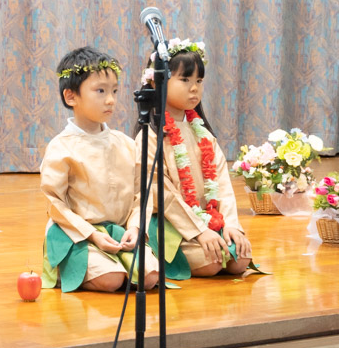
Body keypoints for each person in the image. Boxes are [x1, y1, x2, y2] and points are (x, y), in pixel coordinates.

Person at [40, 46, 160, 292]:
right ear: (71, 97)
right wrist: (93, 235)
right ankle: (69, 265)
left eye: (114, 91)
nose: (110, 99)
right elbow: (54, 202)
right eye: (100, 91)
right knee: (112, 279)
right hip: (79, 233)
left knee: (149, 278)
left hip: (118, 232)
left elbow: (142, 194)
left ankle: (117, 259)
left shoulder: (126, 143)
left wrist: (135, 227)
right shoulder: (61, 147)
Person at [136, 39, 251, 277]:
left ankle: (217, 238)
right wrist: (199, 231)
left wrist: (231, 225)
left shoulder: (202, 133)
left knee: (241, 260)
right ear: (157, 83)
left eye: (199, 81)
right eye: (185, 80)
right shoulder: (151, 136)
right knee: (211, 264)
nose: (194, 88)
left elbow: (222, 185)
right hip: (173, 224)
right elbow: (163, 195)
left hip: (208, 220)